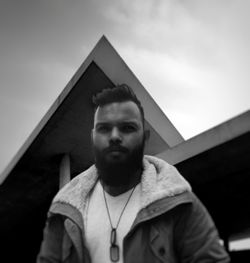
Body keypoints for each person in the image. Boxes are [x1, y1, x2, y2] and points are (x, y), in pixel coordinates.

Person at [37, 84, 230, 263]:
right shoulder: (65, 209)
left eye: (127, 128)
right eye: (104, 128)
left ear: (145, 138)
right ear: (93, 137)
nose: (114, 136)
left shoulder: (179, 202)